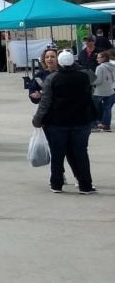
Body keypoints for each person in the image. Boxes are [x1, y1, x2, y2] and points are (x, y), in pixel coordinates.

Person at [32, 50, 97, 194]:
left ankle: (56, 184)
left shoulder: (52, 79)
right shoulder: (84, 76)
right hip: (81, 121)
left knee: (57, 153)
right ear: (73, 62)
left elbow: (45, 102)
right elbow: (94, 78)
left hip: (57, 123)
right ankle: (85, 185)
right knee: (81, 153)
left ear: (59, 62)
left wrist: (37, 119)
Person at [91, 50, 115, 132]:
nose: (97, 59)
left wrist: (90, 82)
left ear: (104, 58)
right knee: (107, 108)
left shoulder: (100, 67)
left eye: (98, 58)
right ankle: (106, 124)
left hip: (99, 91)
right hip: (110, 90)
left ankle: (94, 123)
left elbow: (98, 80)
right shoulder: (112, 66)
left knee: (93, 106)